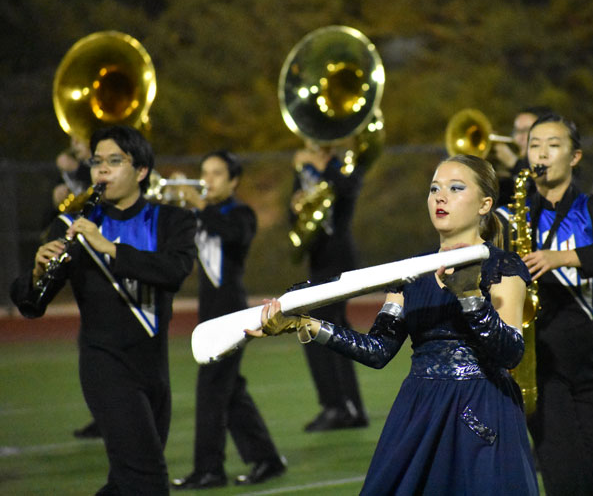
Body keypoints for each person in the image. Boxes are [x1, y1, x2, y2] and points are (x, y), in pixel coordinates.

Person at [250, 154, 539, 495]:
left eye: (455, 188)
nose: (440, 197)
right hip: (419, 408)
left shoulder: (502, 266)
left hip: (481, 409)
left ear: (484, 204)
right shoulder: (410, 271)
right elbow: (378, 350)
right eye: (434, 189)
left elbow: (510, 352)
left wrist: (470, 296)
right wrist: (307, 325)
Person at [10, 125, 196, 495]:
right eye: (96, 162)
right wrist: (35, 275)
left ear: (141, 170)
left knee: (126, 483)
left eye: (115, 161)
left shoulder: (173, 220)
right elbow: (32, 306)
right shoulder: (71, 225)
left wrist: (109, 248)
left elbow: (173, 272)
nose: (102, 171)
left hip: (154, 368)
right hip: (104, 365)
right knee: (148, 479)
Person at [499, 113, 593, 495]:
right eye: (534, 145)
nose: (541, 153)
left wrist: (562, 258)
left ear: (575, 157)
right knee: (567, 485)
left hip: (589, 368)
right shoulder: (509, 217)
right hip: (540, 371)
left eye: (553, 145)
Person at [171, 150, 287, 490]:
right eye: (204, 172)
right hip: (209, 313)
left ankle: (210, 470)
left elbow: (234, 235)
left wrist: (200, 205)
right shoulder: (199, 213)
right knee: (230, 391)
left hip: (232, 312)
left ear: (234, 180)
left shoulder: (240, 213)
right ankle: (266, 459)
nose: (207, 180)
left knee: (210, 390)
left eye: (217, 173)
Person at [288, 140, 369, 431]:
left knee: (314, 327)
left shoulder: (347, 165)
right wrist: (295, 206)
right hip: (318, 256)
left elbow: (348, 191)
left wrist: (324, 167)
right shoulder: (303, 171)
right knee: (333, 328)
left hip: (338, 256)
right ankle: (351, 408)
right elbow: (294, 217)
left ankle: (336, 406)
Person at [494, 106, 553, 208]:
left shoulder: (554, 165)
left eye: (526, 131)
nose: (519, 137)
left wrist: (514, 163)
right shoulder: (508, 173)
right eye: (517, 131)